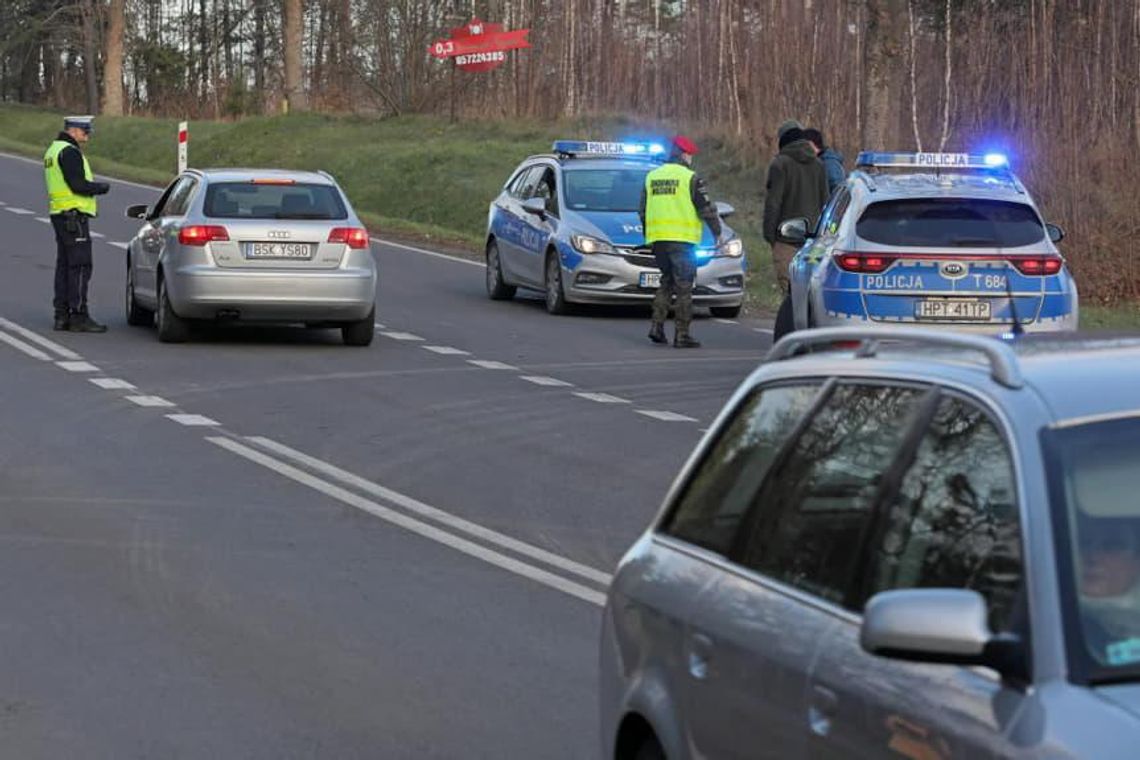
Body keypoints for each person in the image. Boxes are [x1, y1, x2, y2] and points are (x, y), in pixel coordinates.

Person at [639, 135, 724, 349]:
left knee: (666, 282)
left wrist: (650, 233)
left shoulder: (652, 177)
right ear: (684, 154)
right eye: (690, 155)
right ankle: (682, 334)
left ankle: (656, 327)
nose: (691, 158)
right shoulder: (690, 178)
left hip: (658, 240)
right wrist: (718, 233)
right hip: (682, 240)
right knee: (684, 287)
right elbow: (706, 210)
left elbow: (642, 211)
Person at [43, 115, 110, 332]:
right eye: (84, 131)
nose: (87, 136)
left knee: (64, 266)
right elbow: (77, 184)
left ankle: (61, 315)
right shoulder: (69, 152)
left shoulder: (53, 150)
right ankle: (79, 315)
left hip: (59, 214)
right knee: (80, 266)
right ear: (73, 130)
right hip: (74, 216)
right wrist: (100, 188)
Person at [762, 120, 830, 297]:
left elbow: (773, 203)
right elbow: (826, 202)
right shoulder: (819, 165)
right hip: (814, 242)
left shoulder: (780, 164)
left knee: (790, 295)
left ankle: (792, 324)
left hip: (785, 240)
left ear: (783, 141)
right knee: (811, 295)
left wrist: (770, 235)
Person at [803, 128, 846, 196]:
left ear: (811, 144)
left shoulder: (829, 163)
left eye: (803, 145)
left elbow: (838, 191)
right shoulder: (819, 161)